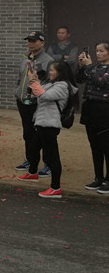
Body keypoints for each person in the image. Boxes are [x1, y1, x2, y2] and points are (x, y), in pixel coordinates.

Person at [17, 59, 77, 199]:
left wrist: (33, 82)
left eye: (52, 70)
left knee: (52, 156)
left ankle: (55, 187)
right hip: (42, 122)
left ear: (60, 72)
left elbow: (44, 95)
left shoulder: (62, 86)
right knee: (32, 149)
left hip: (50, 124)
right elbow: (38, 94)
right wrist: (35, 80)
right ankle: (32, 173)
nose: (49, 72)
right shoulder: (51, 83)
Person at [13, 31, 53, 173]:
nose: (30, 43)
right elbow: (20, 77)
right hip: (23, 101)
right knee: (28, 133)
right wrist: (17, 92)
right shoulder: (25, 58)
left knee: (42, 134)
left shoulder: (48, 60)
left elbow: (50, 82)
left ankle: (48, 164)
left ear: (42, 43)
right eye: (28, 41)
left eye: (34, 41)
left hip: (38, 103)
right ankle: (30, 160)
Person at [78, 42, 109, 195]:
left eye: (101, 51)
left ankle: (108, 180)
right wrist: (82, 66)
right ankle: (98, 177)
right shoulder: (94, 68)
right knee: (94, 146)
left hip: (104, 110)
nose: (98, 54)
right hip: (90, 109)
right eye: (96, 51)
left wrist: (88, 66)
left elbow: (101, 81)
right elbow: (80, 79)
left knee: (106, 146)